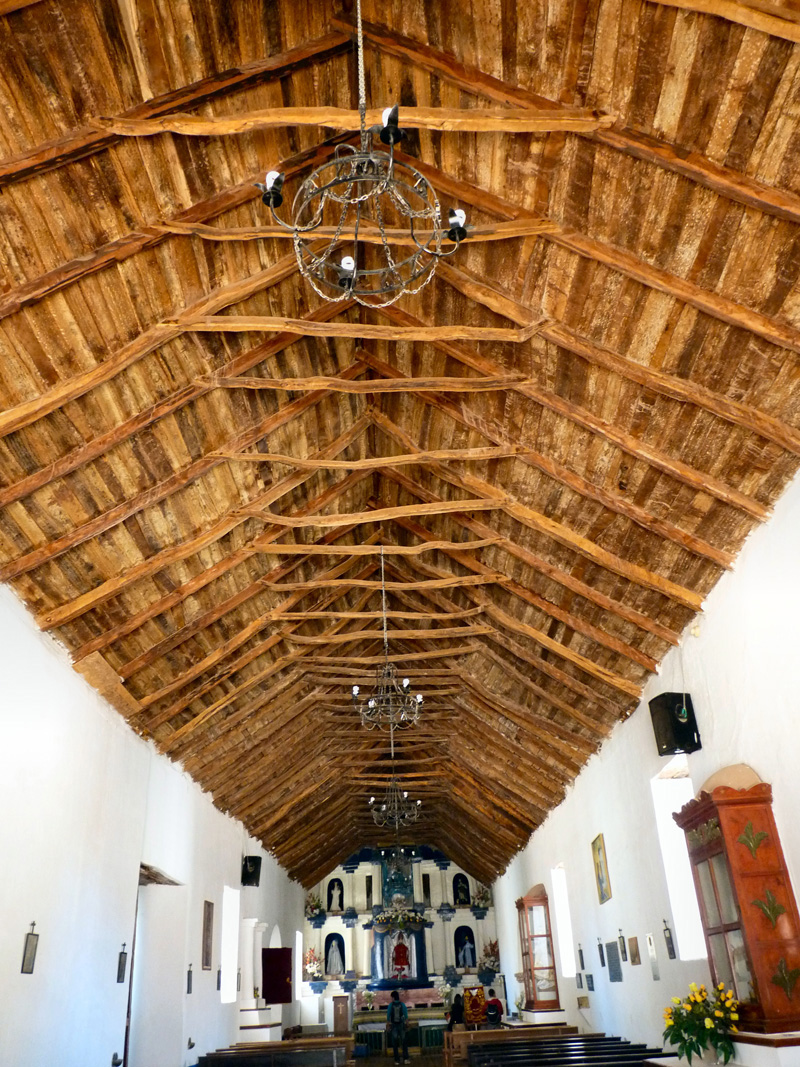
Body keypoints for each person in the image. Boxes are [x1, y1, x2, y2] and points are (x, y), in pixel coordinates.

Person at [386, 989, 410, 1064]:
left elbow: (388, 1015)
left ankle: (397, 1060)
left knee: (395, 1043)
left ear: (393, 998)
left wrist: (387, 1024)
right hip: (401, 1024)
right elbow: (405, 1014)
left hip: (394, 1025)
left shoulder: (391, 1005)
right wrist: (407, 1023)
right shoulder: (402, 1004)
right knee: (404, 1042)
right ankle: (406, 1059)